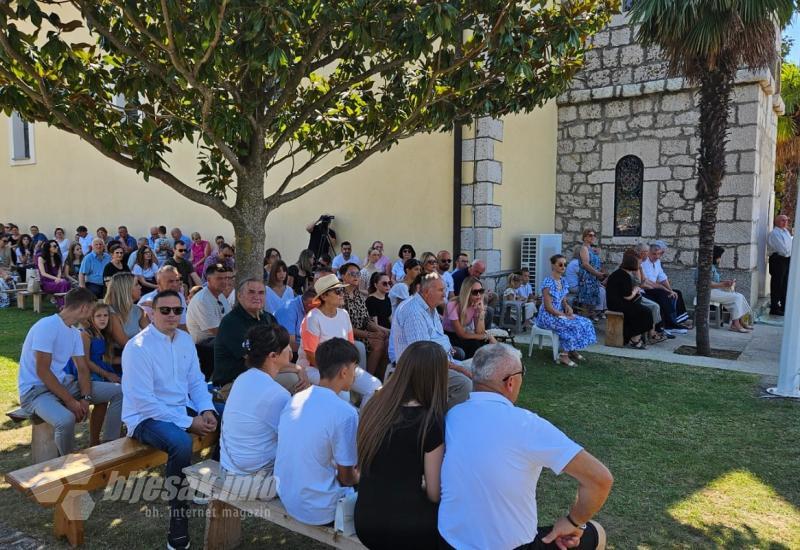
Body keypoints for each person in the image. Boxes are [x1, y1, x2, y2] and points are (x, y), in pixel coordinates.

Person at [438, 344, 612, 550]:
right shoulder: (527, 425)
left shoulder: (454, 416)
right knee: (597, 532)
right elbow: (600, 480)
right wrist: (574, 522)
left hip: (449, 541)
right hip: (512, 546)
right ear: (510, 382)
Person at [121, 289, 217, 550]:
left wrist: (206, 409)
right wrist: (189, 423)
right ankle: (178, 524)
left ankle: (214, 489)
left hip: (178, 408)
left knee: (224, 414)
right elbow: (144, 401)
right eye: (165, 310)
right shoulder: (137, 347)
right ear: (152, 312)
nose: (172, 315)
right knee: (181, 443)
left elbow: (196, 382)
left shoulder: (185, 340)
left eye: (178, 310)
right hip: (144, 417)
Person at [355, 341, 447, 548]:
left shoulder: (374, 406)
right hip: (404, 529)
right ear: (437, 377)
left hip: (365, 520)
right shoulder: (429, 422)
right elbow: (434, 494)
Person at [18, 288, 123, 456]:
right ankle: (68, 466)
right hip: (35, 391)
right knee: (66, 420)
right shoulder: (47, 326)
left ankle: (109, 446)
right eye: (91, 309)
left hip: (63, 383)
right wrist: (70, 401)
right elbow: (42, 371)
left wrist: (85, 398)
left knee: (119, 391)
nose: (92, 314)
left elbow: (82, 369)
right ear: (84, 309)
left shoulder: (74, 333)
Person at [275, 338, 360, 525]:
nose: (355, 375)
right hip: (320, 509)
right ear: (344, 372)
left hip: (288, 496)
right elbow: (347, 478)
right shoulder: (346, 413)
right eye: (354, 369)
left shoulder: (296, 399)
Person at [220, 325, 292, 485]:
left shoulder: (242, 379)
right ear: (273, 355)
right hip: (252, 480)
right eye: (286, 346)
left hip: (227, 470)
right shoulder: (278, 394)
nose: (290, 349)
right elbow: (291, 440)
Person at [213, 278, 308, 397]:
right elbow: (258, 361)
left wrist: (296, 368)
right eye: (251, 292)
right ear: (239, 296)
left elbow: (287, 353)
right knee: (295, 380)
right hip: (235, 383)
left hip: (265, 374)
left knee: (304, 380)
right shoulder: (231, 322)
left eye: (261, 293)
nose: (256, 296)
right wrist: (297, 368)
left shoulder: (268, 318)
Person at [297, 274, 382, 404]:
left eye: (342, 290)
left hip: (342, 368)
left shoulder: (344, 314)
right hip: (316, 369)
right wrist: (337, 373)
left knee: (375, 386)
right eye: (337, 291)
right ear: (324, 296)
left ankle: (363, 422)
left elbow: (350, 347)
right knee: (343, 396)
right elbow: (311, 356)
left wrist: (349, 369)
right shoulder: (312, 318)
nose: (342, 294)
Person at [392, 272, 473, 407]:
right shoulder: (414, 312)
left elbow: (437, 338)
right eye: (441, 290)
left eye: (445, 290)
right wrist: (459, 369)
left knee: (481, 372)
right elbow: (424, 357)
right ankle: (437, 420)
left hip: (440, 362)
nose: (444, 295)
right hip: (421, 370)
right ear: (426, 291)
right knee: (464, 384)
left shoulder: (430, 307)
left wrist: (449, 351)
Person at [63, 302, 121, 445]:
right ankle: (104, 440)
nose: (103, 319)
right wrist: (107, 375)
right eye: (98, 316)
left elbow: (105, 358)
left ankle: (95, 441)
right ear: (91, 318)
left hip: (99, 372)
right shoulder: (85, 334)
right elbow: (86, 361)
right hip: (84, 375)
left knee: (102, 404)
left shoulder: (103, 334)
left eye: (105, 315)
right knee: (110, 396)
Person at [535, 254, 596, 367]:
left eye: (565, 264)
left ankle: (572, 349)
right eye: (560, 264)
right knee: (570, 324)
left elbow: (563, 300)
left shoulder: (563, 281)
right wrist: (564, 315)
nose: (563, 267)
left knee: (585, 322)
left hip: (559, 314)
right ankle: (564, 355)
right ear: (553, 265)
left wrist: (567, 306)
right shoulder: (548, 283)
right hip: (547, 316)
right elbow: (548, 308)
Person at [341, 263, 389, 377]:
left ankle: (380, 377)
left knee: (386, 339)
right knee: (378, 345)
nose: (356, 276)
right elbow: (346, 328)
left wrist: (379, 331)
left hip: (363, 333)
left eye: (358, 273)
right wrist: (371, 335)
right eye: (352, 274)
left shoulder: (358, 295)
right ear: (343, 276)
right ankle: (368, 377)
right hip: (349, 335)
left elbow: (366, 320)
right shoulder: (340, 296)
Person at [699, 246, 754, 333]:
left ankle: (739, 321)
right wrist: (723, 284)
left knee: (740, 296)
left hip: (714, 291)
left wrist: (725, 282)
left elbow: (714, 281)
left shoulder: (712, 267)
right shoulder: (705, 267)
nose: (719, 259)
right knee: (737, 298)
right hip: (706, 292)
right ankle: (735, 324)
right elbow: (706, 283)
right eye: (719, 257)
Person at [605, 254, 653, 349]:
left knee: (642, 310)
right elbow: (628, 297)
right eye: (638, 263)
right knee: (645, 312)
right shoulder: (624, 276)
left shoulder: (620, 273)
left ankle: (634, 337)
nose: (639, 266)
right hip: (617, 305)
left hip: (616, 303)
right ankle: (634, 339)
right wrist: (636, 289)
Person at [443, 276, 497, 359]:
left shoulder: (475, 304)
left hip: (465, 334)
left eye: (481, 291)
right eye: (475, 292)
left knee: (488, 344)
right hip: (450, 336)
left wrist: (481, 312)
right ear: (467, 292)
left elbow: (479, 332)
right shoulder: (453, 304)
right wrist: (487, 336)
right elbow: (461, 335)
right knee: (475, 344)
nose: (479, 295)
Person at [105, 272, 149, 358]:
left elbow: (151, 334)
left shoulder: (138, 310)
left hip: (137, 352)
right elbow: (125, 344)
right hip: (119, 357)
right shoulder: (110, 312)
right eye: (136, 284)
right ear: (126, 289)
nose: (140, 287)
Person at [275, 289, 317, 355]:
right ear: (309, 305)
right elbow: (289, 345)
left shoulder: (311, 307)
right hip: (287, 354)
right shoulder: (288, 310)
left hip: (303, 349)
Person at [577, 229, 607, 319]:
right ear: (585, 237)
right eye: (590, 235)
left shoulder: (592, 249)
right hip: (587, 277)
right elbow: (585, 264)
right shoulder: (584, 248)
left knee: (593, 298)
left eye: (594, 235)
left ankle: (591, 316)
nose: (592, 237)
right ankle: (584, 319)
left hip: (594, 277)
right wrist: (597, 273)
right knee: (586, 300)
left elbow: (597, 263)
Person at [767, 214, 792, 315]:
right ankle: (774, 308)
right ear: (777, 222)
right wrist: (788, 253)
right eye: (783, 220)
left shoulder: (786, 232)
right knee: (777, 284)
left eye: (786, 220)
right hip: (778, 260)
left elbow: (790, 247)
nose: (785, 222)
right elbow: (784, 250)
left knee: (785, 284)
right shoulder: (774, 233)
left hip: (786, 260)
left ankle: (783, 306)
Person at [37, 240, 71, 307]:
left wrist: (58, 278)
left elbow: (59, 271)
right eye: (55, 246)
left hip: (56, 280)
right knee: (63, 283)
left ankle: (64, 304)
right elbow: (43, 273)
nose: (57, 247)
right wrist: (57, 279)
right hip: (46, 282)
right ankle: (62, 305)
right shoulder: (41, 258)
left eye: (57, 246)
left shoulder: (57, 257)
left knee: (67, 283)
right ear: (48, 248)